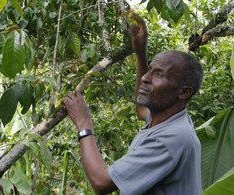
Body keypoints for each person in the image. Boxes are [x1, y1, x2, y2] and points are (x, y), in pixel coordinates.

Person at [62, 13, 203, 195]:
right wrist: (140, 51)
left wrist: (84, 123)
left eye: (159, 74)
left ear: (184, 92)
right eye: (150, 70)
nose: (145, 78)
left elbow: (101, 182)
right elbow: (142, 108)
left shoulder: (171, 139)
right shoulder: (171, 118)